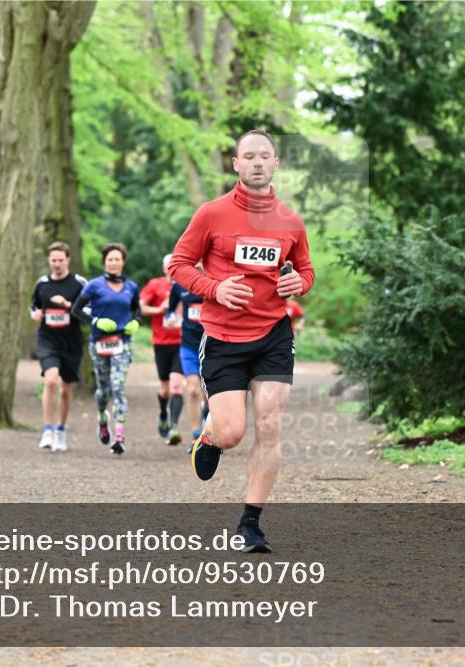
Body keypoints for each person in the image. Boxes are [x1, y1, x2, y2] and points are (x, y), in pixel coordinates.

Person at [169, 129, 314, 553]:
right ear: (235, 164)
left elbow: (305, 270)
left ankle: (250, 523)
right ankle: (209, 437)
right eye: (247, 156)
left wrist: (297, 283)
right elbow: (179, 264)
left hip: (272, 334)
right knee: (232, 432)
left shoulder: (290, 220)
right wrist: (215, 289)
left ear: (275, 164)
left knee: (269, 425)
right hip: (222, 337)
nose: (256, 162)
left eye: (263, 156)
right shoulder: (211, 214)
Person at [70, 243, 141, 455]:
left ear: (123, 262)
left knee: (118, 386)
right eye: (110, 259)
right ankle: (102, 416)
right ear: (105, 262)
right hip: (100, 342)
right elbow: (76, 310)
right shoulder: (94, 285)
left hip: (122, 343)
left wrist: (136, 322)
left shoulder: (132, 287)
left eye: (117, 259)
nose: (114, 262)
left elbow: (137, 312)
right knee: (103, 390)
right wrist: (95, 321)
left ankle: (119, 436)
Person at [30, 242, 88, 453]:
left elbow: (88, 310)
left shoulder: (79, 283)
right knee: (51, 380)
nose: (57, 264)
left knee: (65, 388)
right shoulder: (42, 283)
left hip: (71, 342)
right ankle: (47, 430)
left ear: (68, 260)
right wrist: (35, 314)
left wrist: (67, 306)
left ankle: (60, 430)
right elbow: (33, 306)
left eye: (60, 260)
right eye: (53, 260)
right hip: (48, 339)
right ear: (49, 260)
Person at [139, 254, 184, 445]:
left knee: (176, 386)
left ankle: (174, 427)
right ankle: (164, 414)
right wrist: (159, 310)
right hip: (161, 343)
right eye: (169, 266)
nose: (172, 269)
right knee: (165, 390)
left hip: (183, 343)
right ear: (164, 268)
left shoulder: (186, 286)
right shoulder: (154, 285)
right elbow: (141, 307)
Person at [167, 267, 209, 449]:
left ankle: (210, 430)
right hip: (189, 347)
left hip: (213, 347)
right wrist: (170, 318)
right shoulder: (179, 285)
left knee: (210, 396)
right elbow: (170, 310)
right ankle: (196, 435)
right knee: (192, 390)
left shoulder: (217, 281)